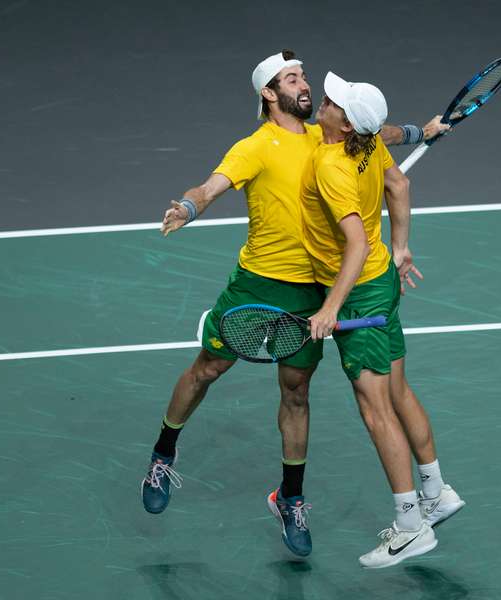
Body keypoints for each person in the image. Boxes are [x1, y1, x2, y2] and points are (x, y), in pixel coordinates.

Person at [140, 50, 447, 559]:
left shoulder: (331, 137)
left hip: (316, 289)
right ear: (268, 93)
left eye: (304, 76)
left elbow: (380, 134)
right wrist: (189, 206)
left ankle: (291, 497)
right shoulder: (255, 147)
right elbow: (213, 185)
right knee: (206, 370)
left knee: (296, 391)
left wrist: (420, 132)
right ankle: (162, 453)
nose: (304, 84)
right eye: (291, 78)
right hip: (258, 283)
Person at [300, 71, 464, 568]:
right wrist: (402, 247)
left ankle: (411, 526)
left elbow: (354, 242)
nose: (324, 100)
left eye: (333, 101)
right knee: (397, 391)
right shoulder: (368, 144)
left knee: (375, 410)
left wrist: (331, 306)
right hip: (382, 284)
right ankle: (437, 491)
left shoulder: (332, 163)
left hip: (357, 297)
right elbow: (398, 180)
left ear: (344, 124)